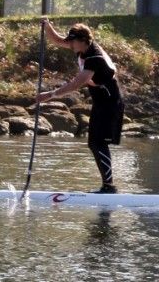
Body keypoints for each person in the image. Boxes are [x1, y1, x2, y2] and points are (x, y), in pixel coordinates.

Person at [36, 20, 124, 194]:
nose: (69, 43)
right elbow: (58, 40)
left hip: (110, 103)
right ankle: (108, 185)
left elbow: (76, 84)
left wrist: (50, 95)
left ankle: (109, 187)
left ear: (83, 40)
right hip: (101, 102)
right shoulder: (81, 47)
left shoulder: (94, 58)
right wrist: (47, 27)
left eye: (72, 40)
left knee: (97, 143)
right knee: (94, 143)